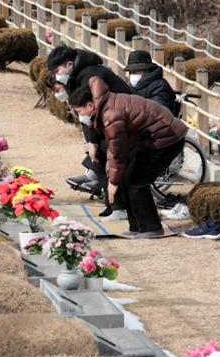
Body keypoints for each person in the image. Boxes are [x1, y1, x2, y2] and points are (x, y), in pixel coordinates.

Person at [68, 78, 187, 238]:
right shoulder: (104, 105)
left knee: (137, 181)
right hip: (150, 139)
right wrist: (113, 177)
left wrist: (112, 182)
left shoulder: (110, 114)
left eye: (78, 111)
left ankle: (151, 228)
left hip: (166, 138)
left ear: (90, 106)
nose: (79, 115)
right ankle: (137, 227)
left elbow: (117, 151)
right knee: (128, 177)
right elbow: (114, 148)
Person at [47, 45, 132, 219]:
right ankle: (112, 205)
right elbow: (84, 114)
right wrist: (90, 142)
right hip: (104, 123)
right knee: (97, 162)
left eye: (57, 70)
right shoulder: (74, 78)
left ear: (69, 64)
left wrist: (93, 142)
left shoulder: (91, 76)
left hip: (120, 121)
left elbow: (93, 109)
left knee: (110, 163)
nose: (57, 75)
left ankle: (120, 207)